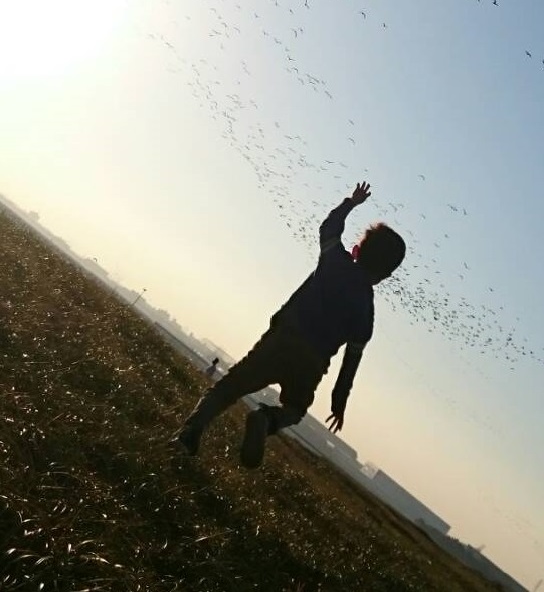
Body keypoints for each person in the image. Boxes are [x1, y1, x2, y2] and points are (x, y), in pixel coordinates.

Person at [170, 181, 405, 469]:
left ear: (356, 250)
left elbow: (329, 227)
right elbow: (350, 363)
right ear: (386, 276)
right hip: (311, 364)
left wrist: (351, 203)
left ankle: (188, 435)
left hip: (281, 339)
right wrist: (338, 400)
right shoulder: (366, 313)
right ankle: (267, 419)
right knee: (294, 410)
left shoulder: (334, 261)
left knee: (229, 388)